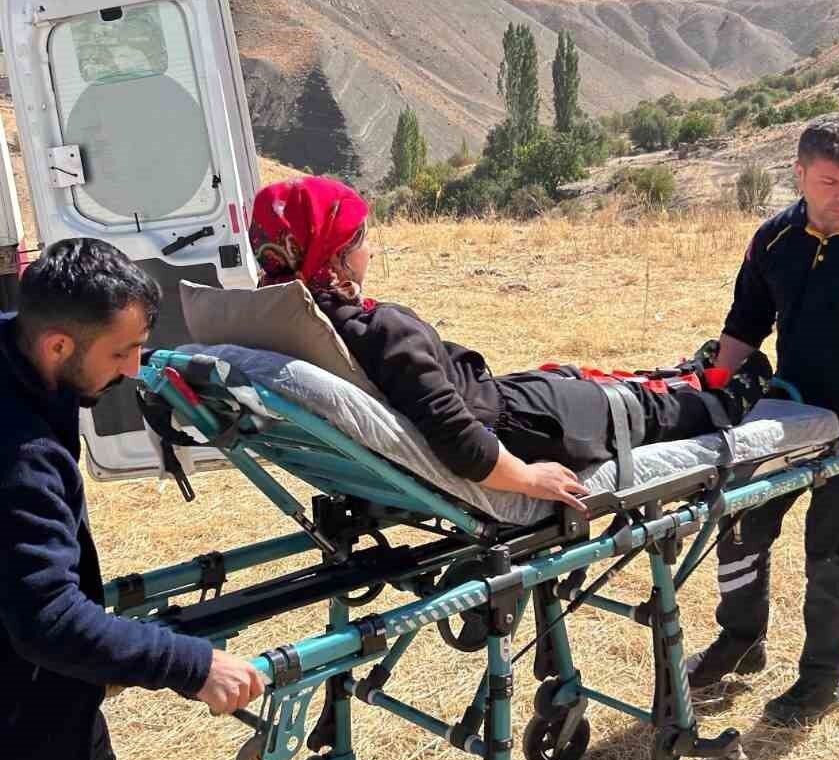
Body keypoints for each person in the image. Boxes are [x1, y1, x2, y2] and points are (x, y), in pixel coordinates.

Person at [0, 239, 265, 760]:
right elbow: (47, 618)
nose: (132, 370)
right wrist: (191, 664)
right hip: (24, 709)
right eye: (121, 353)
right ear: (57, 344)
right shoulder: (23, 454)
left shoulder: (17, 354)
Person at [249, 176, 771, 512]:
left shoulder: (294, 322)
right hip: (522, 429)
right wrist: (526, 478)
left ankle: (688, 376)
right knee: (642, 411)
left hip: (508, 404)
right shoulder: (379, 330)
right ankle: (728, 396)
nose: (369, 250)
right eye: (361, 239)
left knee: (596, 383)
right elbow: (458, 437)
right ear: (336, 251)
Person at [687, 114, 839, 725]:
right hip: (789, 410)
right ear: (800, 173)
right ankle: (740, 641)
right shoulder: (774, 239)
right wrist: (710, 398)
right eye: (830, 181)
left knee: (834, 550)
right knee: (741, 525)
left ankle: (821, 680)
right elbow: (744, 326)